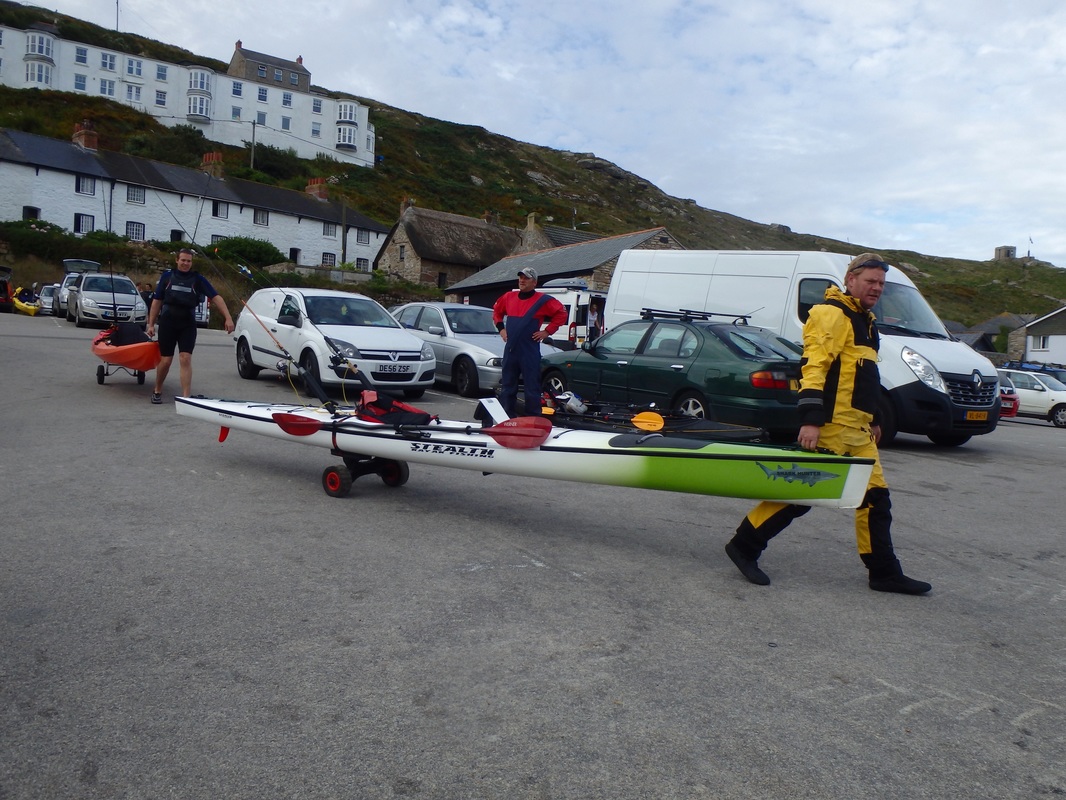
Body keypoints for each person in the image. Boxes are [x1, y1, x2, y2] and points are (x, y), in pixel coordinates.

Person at [724, 253, 932, 595]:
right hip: (831, 427)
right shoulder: (831, 315)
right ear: (850, 279)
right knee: (800, 494)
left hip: (859, 431)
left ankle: (883, 572)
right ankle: (744, 546)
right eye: (870, 281)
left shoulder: (865, 321)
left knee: (875, 501)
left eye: (881, 283)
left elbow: (864, 376)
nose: (877, 288)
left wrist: (876, 417)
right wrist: (810, 421)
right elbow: (814, 368)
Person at [146, 249, 234, 403]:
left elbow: (216, 297)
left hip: (187, 323)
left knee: (185, 358)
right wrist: (151, 324)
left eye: (189, 261)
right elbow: (157, 301)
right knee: (166, 360)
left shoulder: (197, 279)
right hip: (168, 323)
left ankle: (186, 397)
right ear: (177, 260)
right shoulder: (167, 277)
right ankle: (157, 389)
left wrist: (228, 318)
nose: (186, 263)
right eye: (183, 260)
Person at [492, 267, 567, 416]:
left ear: (534, 282)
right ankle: (506, 417)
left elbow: (561, 313)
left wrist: (547, 331)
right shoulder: (508, 297)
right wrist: (501, 329)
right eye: (520, 277)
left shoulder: (543, 300)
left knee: (532, 387)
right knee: (507, 386)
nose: (522, 280)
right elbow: (497, 312)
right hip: (511, 350)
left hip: (529, 351)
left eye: (526, 278)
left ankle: (533, 418)